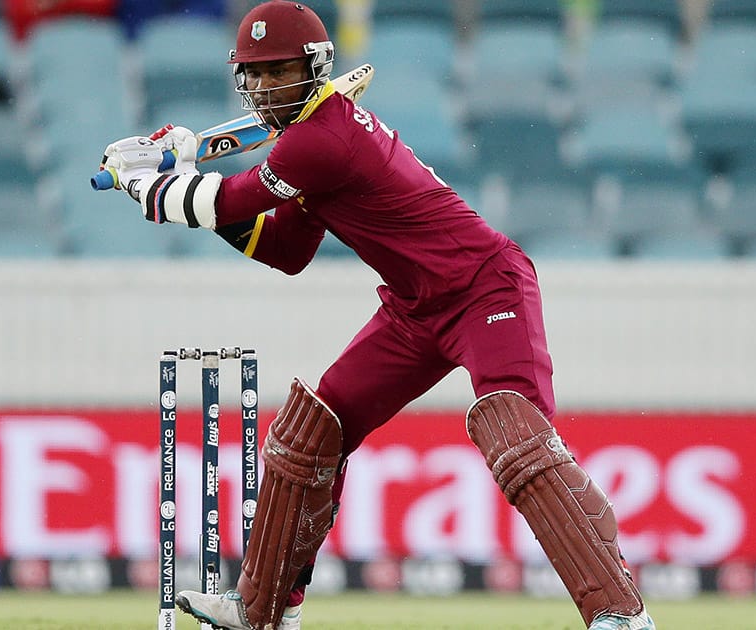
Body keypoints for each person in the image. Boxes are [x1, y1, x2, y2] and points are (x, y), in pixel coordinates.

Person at [97, 2, 655, 629]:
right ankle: (264, 613)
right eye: (252, 74)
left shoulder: (320, 141)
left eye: (277, 71)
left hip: (485, 289)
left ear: (313, 69)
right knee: (309, 436)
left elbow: (227, 198)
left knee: (515, 438)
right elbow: (284, 250)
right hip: (414, 309)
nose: (261, 87)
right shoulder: (308, 145)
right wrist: (185, 177)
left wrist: (147, 184)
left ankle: (619, 616)